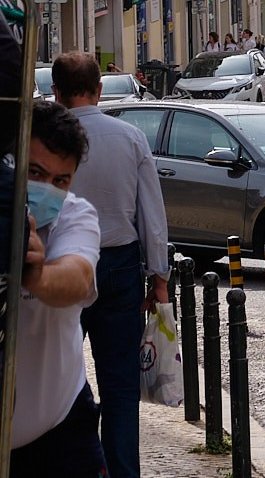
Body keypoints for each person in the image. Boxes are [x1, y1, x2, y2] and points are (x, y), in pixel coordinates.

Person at [54, 52, 169, 478]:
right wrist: (159, 278)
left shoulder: (51, 139)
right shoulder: (130, 138)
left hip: (62, 265)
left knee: (58, 377)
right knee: (120, 387)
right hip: (120, 265)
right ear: (99, 91)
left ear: (57, 93)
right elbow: (151, 214)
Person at [10, 101, 102, 478]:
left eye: (60, 181)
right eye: (34, 172)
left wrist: (35, 276)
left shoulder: (75, 215)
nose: (46, 189)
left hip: (59, 429)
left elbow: (78, 277)